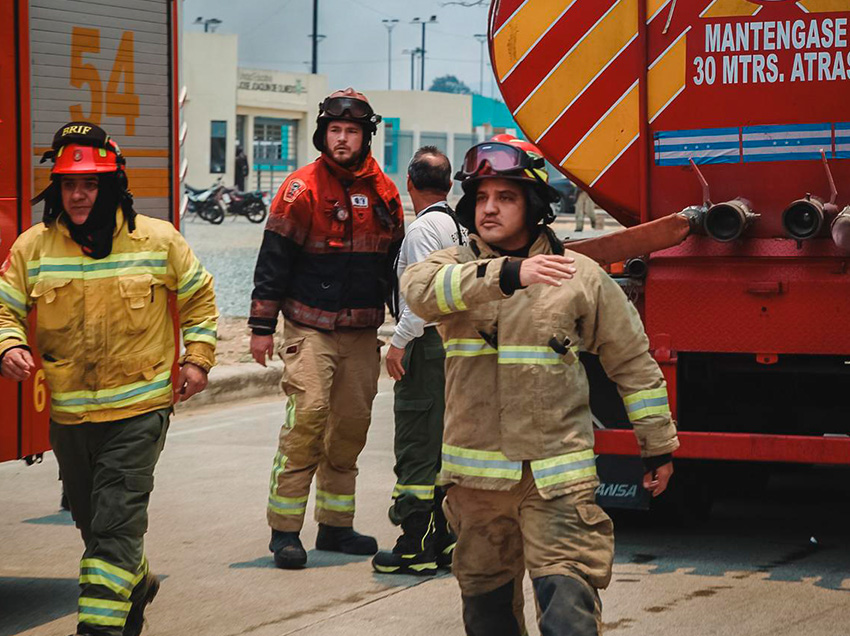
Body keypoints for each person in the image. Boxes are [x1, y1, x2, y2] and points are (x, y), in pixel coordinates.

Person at [401, 135, 679, 636]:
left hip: (557, 485)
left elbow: (633, 364)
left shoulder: (581, 277)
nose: (489, 209)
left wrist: (656, 444)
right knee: (487, 617)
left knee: (569, 610)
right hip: (478, 490)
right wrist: (508, 273)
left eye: (505, 197)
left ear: (531, 205)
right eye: (481, 197)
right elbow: (418, 292)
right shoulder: (450, 267)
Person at [0, 122, 218, 636]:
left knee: (116, 522)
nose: (77, 195)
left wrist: (198, 358)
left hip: (139, 413)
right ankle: (135, 582)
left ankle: (98, 628)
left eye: (90, 184)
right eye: (68, 184)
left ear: (112, 186)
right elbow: (5, 308)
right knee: (94, 526)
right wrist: (9, 344)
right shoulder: (34, 248)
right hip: (71, 416)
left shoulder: (159, 240)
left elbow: (199, 298)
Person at [249, 88, 404, 570]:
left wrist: (409, 331)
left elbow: (398, 267)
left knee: (351, 428)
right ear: (323, 133)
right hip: (309, 327)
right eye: (335, 130)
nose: (342, 139)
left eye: (351, 131)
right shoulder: (301, 188)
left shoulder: (385, 191)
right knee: (308, 419)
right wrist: (260, 326)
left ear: (365, 136)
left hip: (361, 331)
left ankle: (336, 527)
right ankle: (285, 531)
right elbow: (273, 259)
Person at [372, 147, 466, 575]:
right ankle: (443, 540)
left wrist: (397, 343)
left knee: (416, 444)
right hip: (449, 345)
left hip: (426, 347)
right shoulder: (456, 226)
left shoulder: (424, 229)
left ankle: (415, 545)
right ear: (448, 185)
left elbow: (421, 298)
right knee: (441, 444)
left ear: (410, 183)